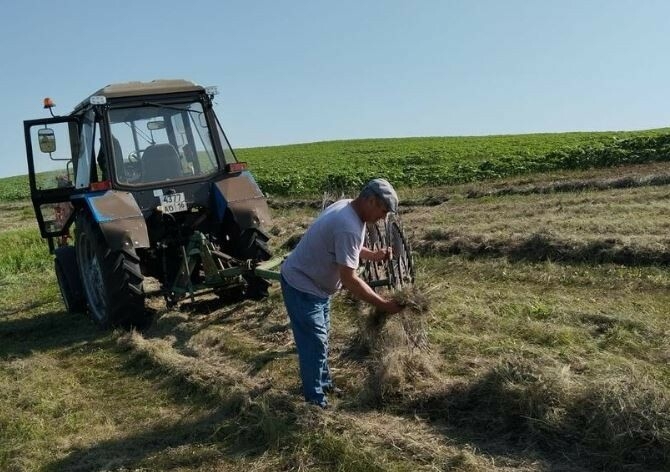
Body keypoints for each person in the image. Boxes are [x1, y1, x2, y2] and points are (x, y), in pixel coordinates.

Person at [280, 178, 404, 408]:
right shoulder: (347, 224)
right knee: (314, 342)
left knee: (322, 338)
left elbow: (348, 248)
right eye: (383, 210)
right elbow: (350, 279)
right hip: (302, 286)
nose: (383, 218)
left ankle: (323, 383)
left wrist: (373, 255)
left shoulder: (349, 207)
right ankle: (315, 403)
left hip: (317, 287)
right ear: (371, 200)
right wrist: (383, 304)